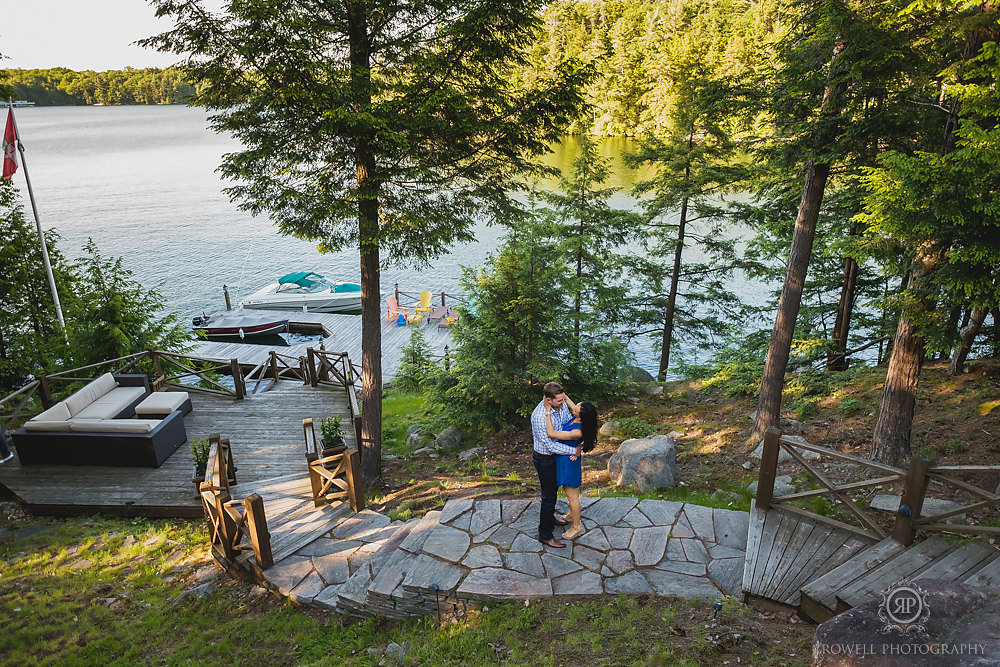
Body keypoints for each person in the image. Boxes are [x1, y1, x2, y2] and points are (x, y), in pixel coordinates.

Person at [530, 381, 576, 548]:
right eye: (559, 401)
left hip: (557, 455)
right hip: (545, 459)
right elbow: (550, 445)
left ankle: (550, 518)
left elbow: (567, 422)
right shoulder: (539, 416)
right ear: (548, 400)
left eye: (564, 400)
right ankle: (545, 534)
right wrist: (573, 451)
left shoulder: (560, 405)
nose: (563, 403)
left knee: (554, 491)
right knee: (548, 497)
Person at [545, 400, 598, 540]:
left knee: (572, 496)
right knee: (568, 492)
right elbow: (571, 405)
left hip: (569, 463)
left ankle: (576, 527)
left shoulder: (577, 431)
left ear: (580, 415)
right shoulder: (578, 418)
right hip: (565, 458)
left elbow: (551, 433)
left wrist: (547, 411)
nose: (574, 407)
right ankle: (570, 515)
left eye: (577, 408)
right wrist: (562, 395)